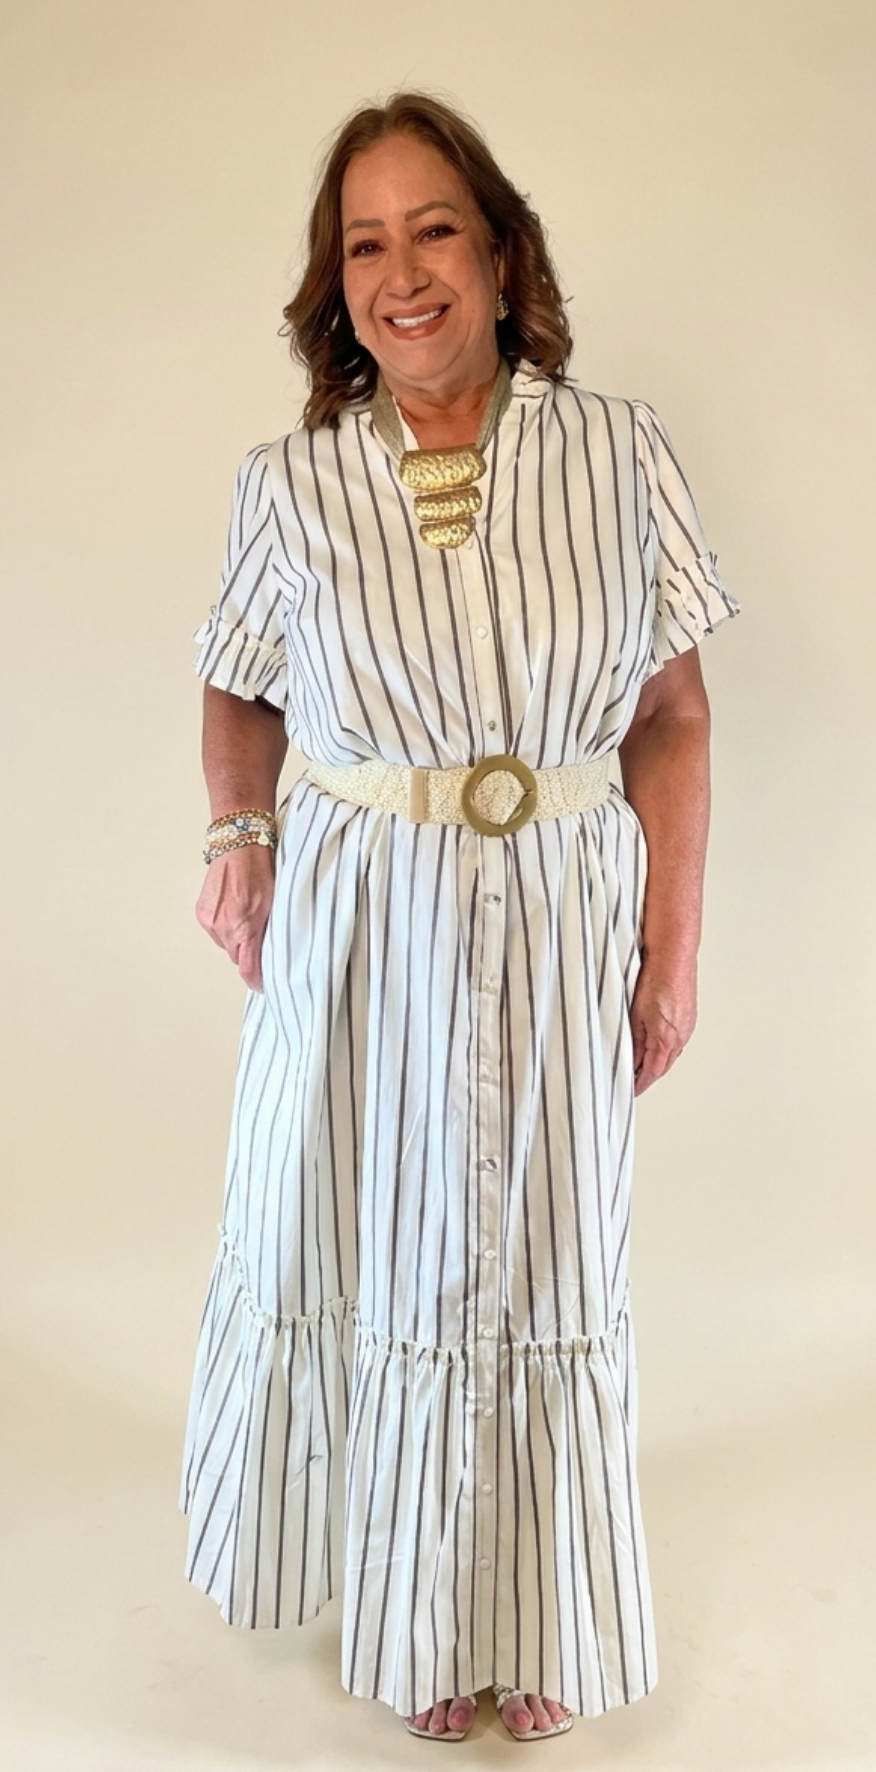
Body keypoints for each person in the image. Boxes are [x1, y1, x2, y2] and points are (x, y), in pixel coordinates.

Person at [181, 91, 739, 1743]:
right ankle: (420, 1618)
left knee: (548, 1254)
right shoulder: (289, 485)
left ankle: (544, 1609)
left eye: (434, 230)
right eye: (365, 244)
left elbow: (672, 716)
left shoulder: (618, 453)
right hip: (362, 921)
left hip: (562, 905)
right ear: (335, 287)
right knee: (382, 1246)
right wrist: (237, 833)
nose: (402, 272)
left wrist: (673, 944)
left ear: (499, 255)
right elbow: (238, 686)